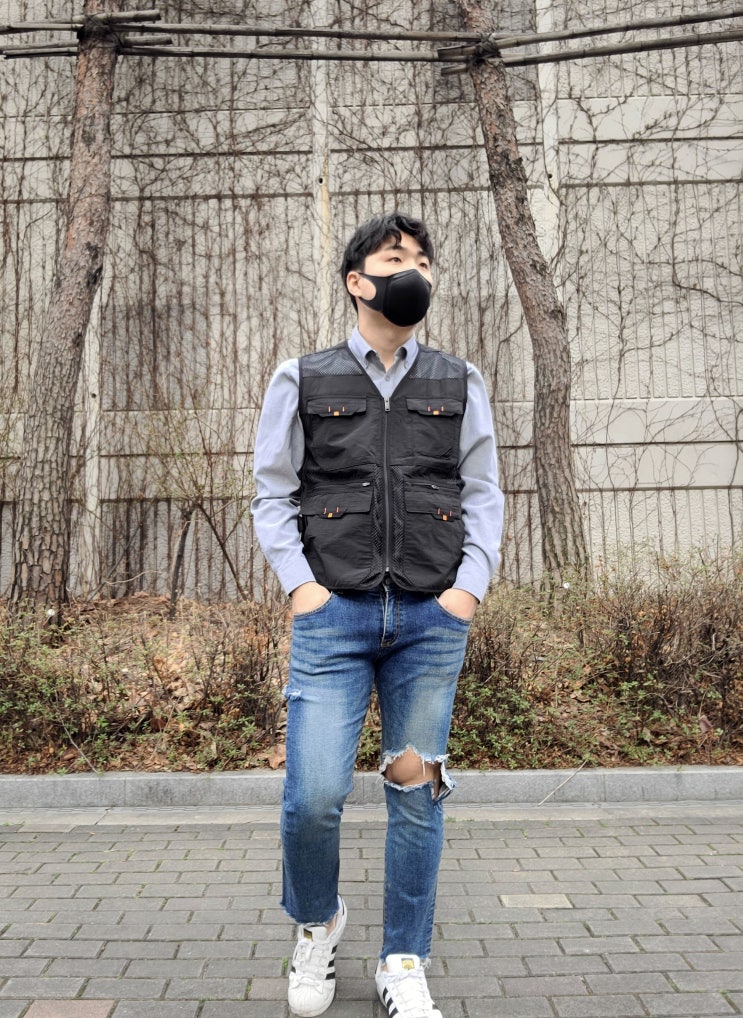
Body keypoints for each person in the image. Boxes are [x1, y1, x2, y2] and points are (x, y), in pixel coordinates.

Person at [251, 211, 503, 1018]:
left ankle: (403, 959)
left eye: (423, 260)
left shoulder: (458, 380)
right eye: (396, 258)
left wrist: (468, 588)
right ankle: (316, 923)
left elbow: (482, 491)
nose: (413, 272)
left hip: (430, 617)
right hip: (333, 618)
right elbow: (272, 492)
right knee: (312, 797)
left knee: (416, 793)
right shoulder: (302, 378)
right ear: (357, 281)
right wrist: (301, 587)